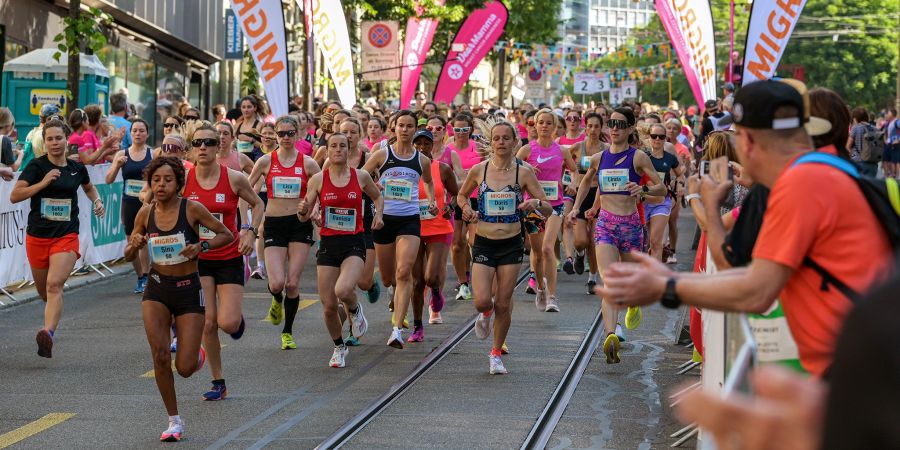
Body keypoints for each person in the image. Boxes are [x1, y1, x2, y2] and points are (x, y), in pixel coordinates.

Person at [597, 79, 893, 377]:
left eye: (739, 137)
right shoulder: (828, 172)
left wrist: (666, 286)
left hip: (847, 373)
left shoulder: (802, 184)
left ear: (750, 140)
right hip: (855, 365)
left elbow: (756, 290)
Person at [124, 156, 233, 442]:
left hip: (188, 290)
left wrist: (201, 246)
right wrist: (133, 245)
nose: (161, 185)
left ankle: (196, 354)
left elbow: (226, 234)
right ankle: (174, 420)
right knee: (160, 356)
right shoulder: (145, 214)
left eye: (167, 180)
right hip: (157, 288)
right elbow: (128, 253)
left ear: (178, 183)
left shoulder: (193, 209)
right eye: (156, 180)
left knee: (184, 368)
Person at [457, 118, 551, 374]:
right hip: (484, 243)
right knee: (482, 301)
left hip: (511, 244)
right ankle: (484, 315)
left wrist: (535, 204)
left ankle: (495, 353)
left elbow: (547, 205)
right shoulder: (480, 170)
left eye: (505, 138)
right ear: (491, 142)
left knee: (503, 302)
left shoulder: (524, 172)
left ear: (514, 142)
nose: (500, 142)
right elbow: (462, 195)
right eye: (496, 138)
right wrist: (466, 209)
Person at [571, 107, 665, 363]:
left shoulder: (638, 158)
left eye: (620, 124)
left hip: (632, 226)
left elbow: (662, 188)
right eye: (611, 123)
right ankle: (611, 334)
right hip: (605, 225)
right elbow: (585, 182)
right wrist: (579, 208)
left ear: (631, 129)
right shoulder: (599, 158)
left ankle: (632, 302)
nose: (614, 128)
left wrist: (643, 191)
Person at [10, 119, 106, 358]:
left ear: (66, 139)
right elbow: (15, 195)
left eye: (58, 138)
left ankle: (48, 333)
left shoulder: (76, 167)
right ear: (45, 141)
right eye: (50, 139)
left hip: (66, 235)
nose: (54, 143)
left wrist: (97, 200)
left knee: (54, 285)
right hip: (38, 237)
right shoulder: (36, 166)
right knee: (45, 293)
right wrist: (42, 183)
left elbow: (89, 187)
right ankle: (49, 324)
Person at [183, 121, 263, 400]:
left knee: (227, 323)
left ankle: (235, 320)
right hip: (199, 258)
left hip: (229, 256)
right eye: (197, 143)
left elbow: (258, 203)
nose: (202, 147)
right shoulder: (184, 179)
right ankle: (219, 382)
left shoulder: (233, 178)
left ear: (219, 147)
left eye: (208, 143)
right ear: (191, 149)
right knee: (208, 322)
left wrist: (250, 232)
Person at [298, 133, 384, 367]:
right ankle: (339, 347)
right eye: (333, 146)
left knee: (344, 289)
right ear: (327, 150)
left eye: (342, 146)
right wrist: (305, 210)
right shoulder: (318, 179)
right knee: (328, 307)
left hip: (354, 243)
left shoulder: (361, 176)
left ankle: (355, 310)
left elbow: (377, 197)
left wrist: (379, 215)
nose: (338, 150)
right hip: (328, 244)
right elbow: (304, 212)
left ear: (349, 150)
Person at [361, 110, 437, 348]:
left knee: (405, 272)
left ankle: (396, 329)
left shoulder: (422, 160)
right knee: (387, 278)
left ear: (415, 130)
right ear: (393, 129)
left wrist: (432, 201)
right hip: (383, 220)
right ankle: (391, 290)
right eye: (401, 125)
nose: (405, 130)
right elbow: (362, 175)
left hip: (409, 220)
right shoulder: (382, 155)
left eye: (409, 126)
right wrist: (374, 187)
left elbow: (428, 181)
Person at [248, 115, 321, 350]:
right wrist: (246, 222)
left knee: (292, 283)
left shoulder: (308, 163)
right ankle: (275, 298)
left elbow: (321, 189)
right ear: (275, 136)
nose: (286, 138)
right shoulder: (265, 162)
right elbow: (247, 191)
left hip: (299, 224)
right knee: (277, 283)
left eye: (290, 133)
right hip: (274, 224)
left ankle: (287, 332)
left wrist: (313, 209)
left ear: (298, 135)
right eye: (281, 134)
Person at [516, 108, 577, 313]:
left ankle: (552, 296)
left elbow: (574, 171)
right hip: (533, 206)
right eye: (539, 122)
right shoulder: (527, 150)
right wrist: (524, 169)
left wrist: (572, 184)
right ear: (535, 125)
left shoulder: (562, 150)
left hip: (555, 206)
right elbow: (512, 170)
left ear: (554, 127)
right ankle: (540, 287)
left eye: (548, 123)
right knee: (537, 250)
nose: (543, 126)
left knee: (548, 248)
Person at [409, 129, 458, 337]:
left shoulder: (443, 169)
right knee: (417, 281)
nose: (422, 147)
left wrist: (450, 206)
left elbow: (457, 194)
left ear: (433, 146)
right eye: (417, 143)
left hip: (438, 227)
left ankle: (436, 290)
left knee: (430, 277)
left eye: (426, 144)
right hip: (412, 228)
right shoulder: (406, 170)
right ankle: (418, 326)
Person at [105, 118, 153, 294]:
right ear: (130, 134)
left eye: (141, 130)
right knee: (131, 242)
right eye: (135, 131)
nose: (138, 134)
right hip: (129, 203)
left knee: (144, 240)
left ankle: (147, 275)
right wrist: (117, 165)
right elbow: (108, 179)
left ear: (147, 134)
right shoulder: (122, 154)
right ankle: (140, 276)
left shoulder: (153, 154)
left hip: (146, 203)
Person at [565, 113, 608, 294]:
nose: (592, 130)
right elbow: (564, 163)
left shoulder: (607, 149)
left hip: (599, 195)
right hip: (582, 196)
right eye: (589, 126)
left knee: (594, 240)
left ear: (601, 127)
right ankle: (580, 254)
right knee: (581, 240)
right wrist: (570, 181)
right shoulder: (577, 147)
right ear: (585, 127)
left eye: (596, 126)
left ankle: (592, 278)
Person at [447, 113, 481, 301]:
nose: (461, 133)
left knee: (473, 242)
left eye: (465, 129)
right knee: (457, 244)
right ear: (452, 130)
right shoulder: (448, 150)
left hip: (476, 199)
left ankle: (475, 275)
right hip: (456, 199)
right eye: (457, 129)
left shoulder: (479, 149)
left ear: (471, 130)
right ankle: (463, 283)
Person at [643, 123, 684, 261]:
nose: (657, 139)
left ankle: (655, 278)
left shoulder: (670, 158)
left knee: (656, 241)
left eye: (661, 137)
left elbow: (680, 174)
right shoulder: (642, 157)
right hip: (644, 201)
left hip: (662, 201)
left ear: (665, 139)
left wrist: (680, 185)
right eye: (654, 136)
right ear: (649, 138)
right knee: (646, 242)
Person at [847, 106, 879, 176]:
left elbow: (848, 147)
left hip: (858, 163)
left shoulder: (855, 128)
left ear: (855, 118)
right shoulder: (875, 129)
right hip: (873, 164)